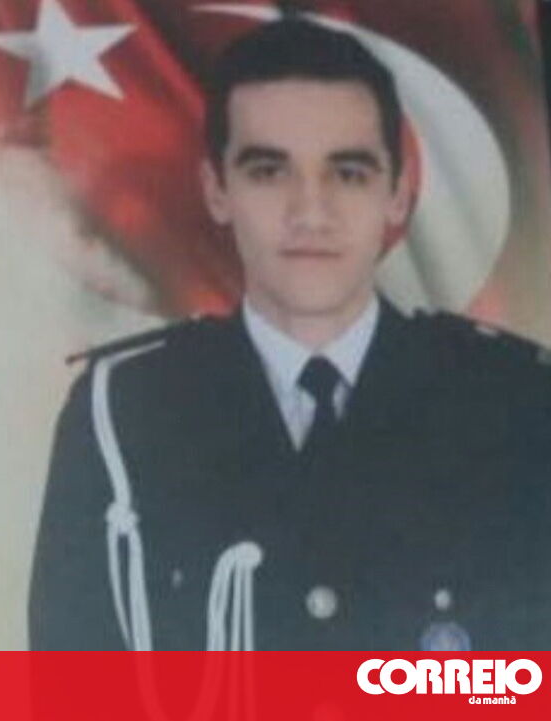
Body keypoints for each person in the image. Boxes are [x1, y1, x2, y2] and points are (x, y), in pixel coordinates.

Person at [28, 19, 551, 651]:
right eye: (269, 172)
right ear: (217, 191)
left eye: (348, 173)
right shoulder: (122, 412)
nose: (311, 211)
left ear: (398, 192)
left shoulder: (515, 403)